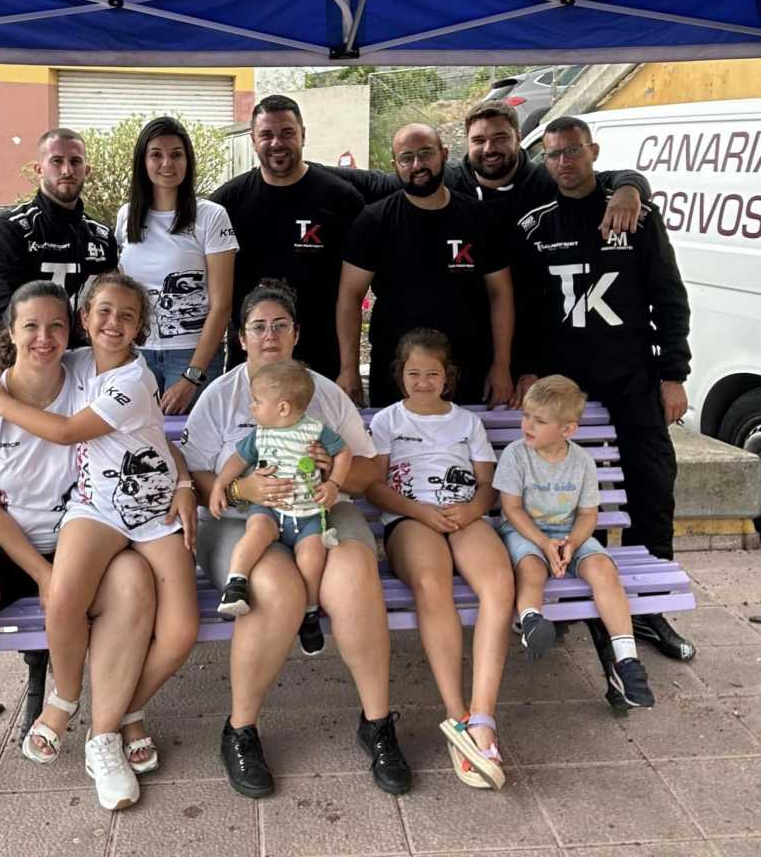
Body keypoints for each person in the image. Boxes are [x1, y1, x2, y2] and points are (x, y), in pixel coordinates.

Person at [0, 281, 156, 802]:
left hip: (87, 533)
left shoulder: (89, 372)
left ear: (73, 330)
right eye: (32, 327)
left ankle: (104, 737)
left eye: (56, 326)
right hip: (6, 540)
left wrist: (180, 482)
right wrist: (44, 574)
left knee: (133, 583)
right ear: (11, 332)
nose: (45, 338)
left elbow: (144, 429)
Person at [0, 272, 199, 811]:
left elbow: (68, 432)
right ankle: (65, 698)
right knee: (63, 596)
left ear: (140, 328)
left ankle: (118, 714)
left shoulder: (133, 378)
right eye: (104, 313)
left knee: (182, 629)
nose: (114, 323)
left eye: (127, 316)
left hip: (154, 515)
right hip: (95, 508)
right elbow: (31, 360)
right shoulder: (73, 362)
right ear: (84, 319)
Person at [180, 279, 412, 799]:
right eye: (258, 327)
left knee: (354, 574)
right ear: (241, 338)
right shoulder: (221, 396)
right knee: (274, 589)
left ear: (296, 334)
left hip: (320, 512)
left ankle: (377, 723)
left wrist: (333, 474)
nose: (269, 335)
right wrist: (240, 488)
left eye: (279, 326)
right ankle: (240, 729)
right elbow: (194, 475)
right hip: (243, 520)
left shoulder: (322, 392)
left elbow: (367, 470)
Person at [512, 115, 695, 662]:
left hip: (630, 373)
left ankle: (647, 608)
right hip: (562, 380)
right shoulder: (535, 226)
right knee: (556, 483)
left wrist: (674, 374)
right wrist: (526, 369)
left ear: (593, 151)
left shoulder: (635, 216)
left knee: (651, 483)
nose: (563, 162)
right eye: (553, 155)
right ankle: (567, 590)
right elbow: (526, 310)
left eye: (572, 151)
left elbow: (669, 297)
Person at [365, 329, 514, 791]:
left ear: (448, 377)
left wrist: (471, 510)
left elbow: (487, 485)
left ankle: (483, 716)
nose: (423, 382)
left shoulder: (466, 422)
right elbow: (375, 486)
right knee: (432, 584)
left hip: (464, 515)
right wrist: (419, 511)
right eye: (414, 373)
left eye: (432, 374)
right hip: (410, 518)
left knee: (499, 585)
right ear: (400, 375)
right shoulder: (387, 421)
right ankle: (457, 715)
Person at [493, 375, 655, 708]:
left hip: (571, 533)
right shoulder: (515, 455)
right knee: (530, 567)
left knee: (604, 570)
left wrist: (571, 542)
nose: (527, 425)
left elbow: (587, 515)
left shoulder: (582, 462)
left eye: (539, 421)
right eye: (526, 416)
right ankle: (532, 620)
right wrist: (543, 542)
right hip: (525, 532)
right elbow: (511, 509)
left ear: (567, 429)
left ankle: (627, 661)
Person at [337, 123, 514, 408]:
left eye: (426, 153)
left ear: (444, 154)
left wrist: (502, 365)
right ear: (395, 165)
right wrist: (349, 369)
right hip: (396, 371)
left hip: (467, 369)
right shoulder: (374, 221)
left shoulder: (479, 218)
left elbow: (500, 293)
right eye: (407, 158)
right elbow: (350, 296)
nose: (417, 165)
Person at [326, 99, 651, 243]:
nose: (489, 148)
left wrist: (629, 189)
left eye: (500, 138)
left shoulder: (545, 179)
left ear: (518, 138)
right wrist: (304, 168)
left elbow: (604, 179)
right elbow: (373, 182)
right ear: (466, 143)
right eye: (479, 140)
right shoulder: (447, 181)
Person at [212, 95, 364, 380]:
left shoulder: (341, 200)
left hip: (321, 359)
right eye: (266, 135)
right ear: (253, 140)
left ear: (303, 135)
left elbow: (353, 293)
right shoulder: (227, 203)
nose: (276, 143)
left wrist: (349, 368)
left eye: (287, 133)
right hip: (251, 361)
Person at [210, 359, 352, 655]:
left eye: (257, 401)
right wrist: (220, 483)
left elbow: (343, 452)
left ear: (283, 408)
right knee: (255, 533)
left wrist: (334, 484)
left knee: (312, 558)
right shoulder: (260, 433)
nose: (252, 407)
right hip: (270, 510)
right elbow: (238, 459)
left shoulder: (315, 430)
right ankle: (236, 583)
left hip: (308, 513)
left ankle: (310, 612)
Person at [115, 115, 237, 413]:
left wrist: (192, 376)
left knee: (187, 439)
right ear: (143, 162)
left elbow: (222, 305)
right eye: (156, 155)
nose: (167, 163)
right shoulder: (126, 216)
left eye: (176, 155)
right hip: (136, 354)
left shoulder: (211, 216)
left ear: (188, 160)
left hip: (191, 354)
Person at [0, 128, 117, 347]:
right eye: (56, 161)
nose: (67, 170)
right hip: (29, 358)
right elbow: (0, 312)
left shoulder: (102, 236)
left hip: (86, 361)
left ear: (87, 170)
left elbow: (110, 304)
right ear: (39, 169)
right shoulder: (9, 230)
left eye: (75, 161)